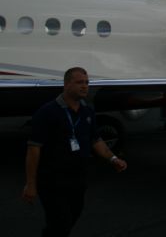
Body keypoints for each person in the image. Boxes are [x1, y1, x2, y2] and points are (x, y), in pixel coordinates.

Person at [22, 67, 127, 236]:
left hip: (78, 178)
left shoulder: (87, 111)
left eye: (86, 82)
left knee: (72, 217)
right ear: (66, 84)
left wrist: (113, 158)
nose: (85, 86)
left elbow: (96, 140)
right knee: (60, 223)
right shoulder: (47, 112)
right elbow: (34, 150)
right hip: (52, 180)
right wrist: (31, 184)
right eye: (79, 82)